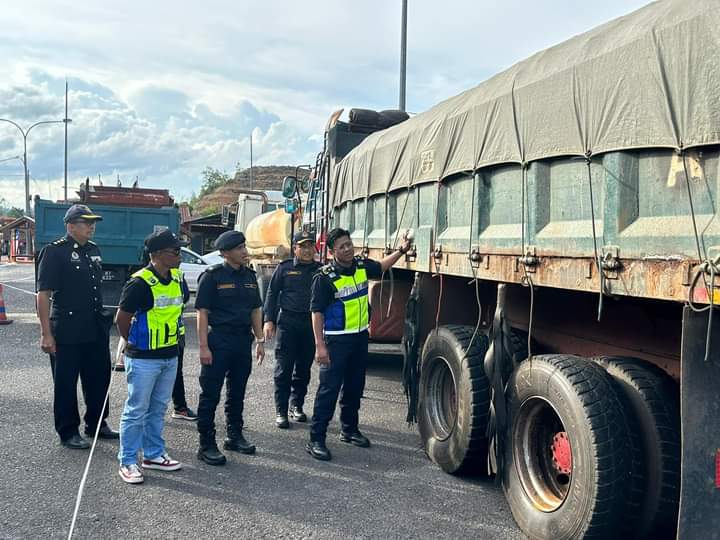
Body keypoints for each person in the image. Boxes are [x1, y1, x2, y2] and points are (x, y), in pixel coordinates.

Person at [306, 227, 411, 461]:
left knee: (354, 387)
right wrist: (320, 346)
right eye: (342, 246)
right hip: (335, 339)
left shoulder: (362, 267)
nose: (348, 249)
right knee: (328, 390)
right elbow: (316, 313)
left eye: (349, 243)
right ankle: (316, 439)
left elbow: (382, 266)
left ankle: (349, 429)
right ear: (332, 252)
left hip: (360, 337)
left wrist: (401, 251)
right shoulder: (324, 278)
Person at [36, 204, 118, 450]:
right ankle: (68, 430)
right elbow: (43, 295)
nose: (92, 226)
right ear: (71, 226)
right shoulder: (55, 252)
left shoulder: (93, 249)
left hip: (94, 327)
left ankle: (96, 423)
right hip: (67, 329)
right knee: (65, 383)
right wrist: (45, 333)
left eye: (93, 222)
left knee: (99, 379)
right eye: (86, 222)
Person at [115, 229, 186, 484]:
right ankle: (128, 461)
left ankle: (153, 454)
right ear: (157, 254)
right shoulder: (140, 283)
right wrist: (132, 342)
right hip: (144, 358)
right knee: (136, 410)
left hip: (169, 355)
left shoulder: (178, 278)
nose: (180, 255)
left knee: (157, 408)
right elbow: (121, 319)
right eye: (175, 251)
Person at [195, 230, 264, 466]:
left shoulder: (250, 276)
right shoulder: (212, 276)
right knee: (210, 393)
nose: (244, 252)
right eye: (239, 248)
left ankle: (235, 435)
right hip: (219, 340)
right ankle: (206, 443)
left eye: (244, 247)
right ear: (225, 253)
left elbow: (255, 309)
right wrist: (203, 347)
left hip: (242, 341)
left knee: (237, 391)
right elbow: (202, 313)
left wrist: (260, 339)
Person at [263, 231, 321, 429]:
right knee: (283, 369)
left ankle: (296, 405)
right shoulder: (285, 268)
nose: (307, 250)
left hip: (310, 325)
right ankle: (281, 410)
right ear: (294, 248)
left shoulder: (321, 270)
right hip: (288, 323)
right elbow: (272, 293)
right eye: (302, 246)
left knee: (303, 370)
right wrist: (269, 320)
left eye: (310, 246)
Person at [170, 272, 198, 421]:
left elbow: (185, 297)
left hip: (176, 334)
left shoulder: (178, 275)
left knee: (176, 372)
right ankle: (179, 407)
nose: (179, 256)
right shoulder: (145, 279)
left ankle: (180, 407)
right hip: (153, 340)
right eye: (175, 251)